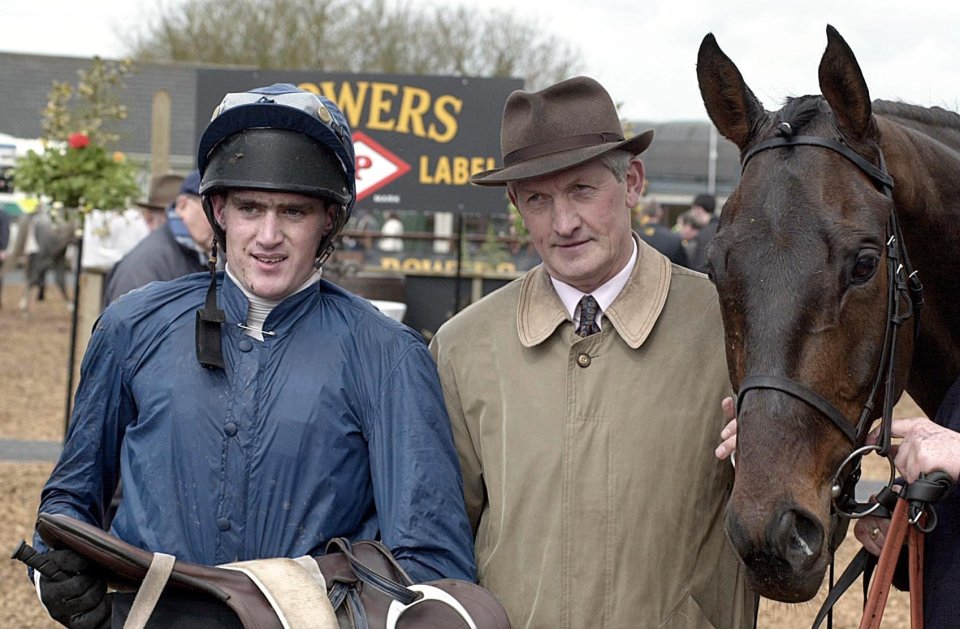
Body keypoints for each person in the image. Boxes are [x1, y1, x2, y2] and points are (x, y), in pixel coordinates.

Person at [30, 83, 475, 628]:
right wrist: (57, 574)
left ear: (328, 221)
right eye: (249, 208)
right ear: (218, 209)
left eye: (293, 211)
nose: (269, 235)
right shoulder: (131, 325)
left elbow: (432, 563)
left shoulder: (388, 357)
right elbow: (68, 502)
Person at [429, 76, 756, 628]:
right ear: (516, 205)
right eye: (537, 198)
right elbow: (440, 545)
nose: (563, 223)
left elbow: (794, 538)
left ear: (631, 181)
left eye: (582, 190)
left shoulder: (731, 328)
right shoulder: (462, 349)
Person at [102, 170, 212, 306]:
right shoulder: (145, 264)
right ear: (182, 206)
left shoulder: (195, 253)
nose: (220, 220)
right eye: (210, 209)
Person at [636, 197, 689, 267]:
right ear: (660, 213)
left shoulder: (634, 236)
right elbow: (683, 267)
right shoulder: (673, 238)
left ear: (642, 213)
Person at [688, 192, 718, 273]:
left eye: (693, 209)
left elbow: (700, 267)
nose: (692, 214)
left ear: (699, 209)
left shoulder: (704, 235)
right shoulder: (723, 228)